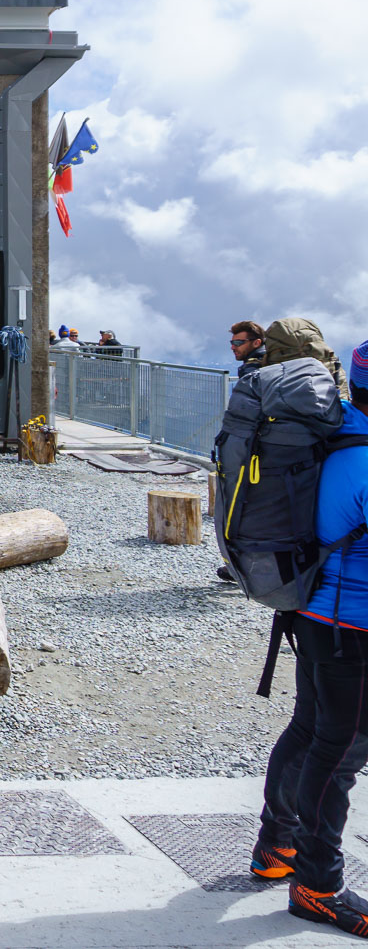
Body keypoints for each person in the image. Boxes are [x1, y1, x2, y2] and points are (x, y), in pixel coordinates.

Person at [256, 339, 368, 936]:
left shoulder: (341, 432)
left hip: (314, 614)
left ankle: (276, 851)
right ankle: (319, 887)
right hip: (352, 627)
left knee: (311, 732)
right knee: (341, 752)